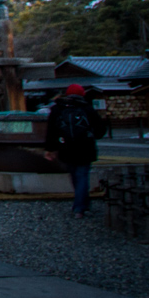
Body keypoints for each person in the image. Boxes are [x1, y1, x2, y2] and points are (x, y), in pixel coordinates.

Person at [44, 83, 107, 216]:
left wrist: (50, 149)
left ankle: (82, 203)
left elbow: (51, 131)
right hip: (85, 147)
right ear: (82, 94)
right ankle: (80, 206)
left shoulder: (57, 109)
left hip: (66, 147)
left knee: (74, 175)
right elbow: (100, 130)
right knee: (83, 175)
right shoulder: (87, 108)